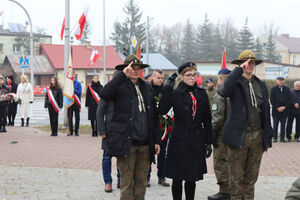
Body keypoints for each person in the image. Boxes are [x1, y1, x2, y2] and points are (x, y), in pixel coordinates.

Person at [99, 54, 161, 200]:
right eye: (132, 68)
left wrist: (156, 140)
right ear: (126, 69)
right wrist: (121, 76)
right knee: (127, 184)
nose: (136, 71)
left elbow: (153, 116)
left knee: (141, 185)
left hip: (145, 145)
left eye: (138, 68)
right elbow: (104, 94)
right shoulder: (119, 85)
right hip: (127, 143)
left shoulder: (146, 87)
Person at [217, 50, 273, 200]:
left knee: (251, 179)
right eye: (246, 63)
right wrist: (238, 70)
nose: (250, 65)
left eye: (252, 62)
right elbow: (222, 91)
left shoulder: (260, 84)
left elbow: (265, 111)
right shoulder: (234, 83)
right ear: (240, 64)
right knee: (236, 179)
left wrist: (267, 135)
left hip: (257, 137)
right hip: (238, 138)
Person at [159, 62, 212, 200]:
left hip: (196, 140)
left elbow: (207, 120)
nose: (192, 78)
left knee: (191, 178)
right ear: (181, 76)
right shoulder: (175, 93)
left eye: (194, 75)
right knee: (177, 178)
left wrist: (208, 142)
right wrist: (166, 89)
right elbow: (162, 110)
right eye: (188, 75)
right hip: (179, 140)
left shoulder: (201, 93)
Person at [208, 68, 231, 200]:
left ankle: (224, 191)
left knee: (221, 163)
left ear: (222, 79)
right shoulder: (237, 93)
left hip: (222, 135)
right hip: (236, 135)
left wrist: (210, 135)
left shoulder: (220, 94)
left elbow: (217, 119)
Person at [97, 71, 120, 193]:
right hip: (109, 130)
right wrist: (101, 130)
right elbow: (100, 112)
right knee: (107, 157)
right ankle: (108, 182)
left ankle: (121, 179)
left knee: (122, 157)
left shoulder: (126, 91)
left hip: (122, 130)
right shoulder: (107, 91)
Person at [147, 69, 170, 188]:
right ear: (152, 77)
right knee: (148, 152)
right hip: (151, 125)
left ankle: (162, 177)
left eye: (162, 78)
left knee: (162, 153)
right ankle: (146, 177)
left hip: (163, 125)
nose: (160, 80)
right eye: (158, 78)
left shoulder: (166, 90)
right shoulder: (147, 89)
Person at [270, 76, 290, 142]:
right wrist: (277, 108)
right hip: (276, 111)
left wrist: (284, 107)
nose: (281, 81)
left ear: (284, 81)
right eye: (279, 80)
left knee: (283, 125)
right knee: (275, 125)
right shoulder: (273, 89)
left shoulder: (287, 89)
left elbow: (289, 100)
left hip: (284, 111)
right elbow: (272, 100)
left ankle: (282, 138)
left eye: (282, 80)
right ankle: (275, 137)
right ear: (277, 81)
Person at [67, 72, 82, 136]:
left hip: (76, 102)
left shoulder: (78, 83)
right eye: (71, 75)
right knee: (70, 117)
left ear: (75, 76)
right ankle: (70, 131)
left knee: (77, 117)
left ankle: (76, 131)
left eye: (73, 75)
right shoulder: (68, 83)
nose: (72, 76)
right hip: (70, 102)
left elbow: (79, 92)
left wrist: (73, 89)